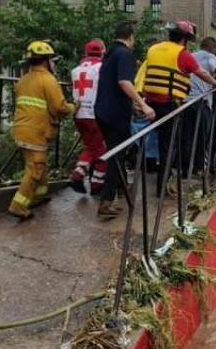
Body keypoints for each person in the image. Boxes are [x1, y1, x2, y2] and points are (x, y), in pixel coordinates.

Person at [141, 21, 216, 195]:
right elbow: (201, 73)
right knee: (170, 145)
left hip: (150, 102)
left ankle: (158, 176)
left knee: (157, 142)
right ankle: (163, 187)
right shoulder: (182, 54)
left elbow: (144, 72)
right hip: (170, 104)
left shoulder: (153, 49)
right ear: (185, 39)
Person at [8, 40, 77, 219]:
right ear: (46, 61)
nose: (53, 63)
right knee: (36, 168)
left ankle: (38, 195)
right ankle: (18, 205)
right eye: (51, 59)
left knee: (39, 164)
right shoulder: (48, 80)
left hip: (22, 128)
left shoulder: (23, 80)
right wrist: (74, 107)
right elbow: (59, 107)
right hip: (35, 131)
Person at [94, 22, 156, 219]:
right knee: (118, 156)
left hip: (102, 111)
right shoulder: (124, 54)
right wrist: (143, 104)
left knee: (118, 151)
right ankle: (106, 201)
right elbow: (124, 82)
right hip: (115, 115)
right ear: (130, 36)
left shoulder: (109, 54)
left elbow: (113, 87)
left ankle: (121, 189)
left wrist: (132, 105)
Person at [68, 39, 108, 195]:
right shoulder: (102, 68)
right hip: (94, 114)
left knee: (90, 147)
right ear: (102, 52)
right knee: (104, 150)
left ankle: (78, 174)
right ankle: (97, 185)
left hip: (79, 114)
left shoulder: (75, 70)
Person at [182, 37, 216, 177]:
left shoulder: (190, 56)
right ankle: (199, 167)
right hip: (201, 100)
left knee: (187, 136)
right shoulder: (210, 56)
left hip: (185, 100)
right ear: (212, 47)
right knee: (202, 135)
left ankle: (185, 168)